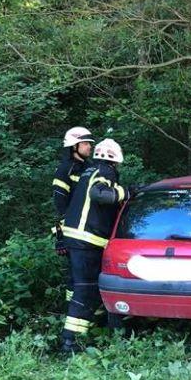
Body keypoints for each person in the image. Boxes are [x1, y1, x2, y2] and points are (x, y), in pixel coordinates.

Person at [60, 138, 127, 355]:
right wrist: (126, 193)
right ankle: (71, 343)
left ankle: (82, 332)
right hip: (86, 239)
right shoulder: (105, 172)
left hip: (75, 237)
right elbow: (100, 194)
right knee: (85, 290)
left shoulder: (90, 170)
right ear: (115, 159)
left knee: (79, 287)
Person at [52, 127, 95, 304]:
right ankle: (72, 307)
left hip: (90, 228)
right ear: (73, 146)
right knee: (74, 273)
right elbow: (60, 205)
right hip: (72, 231)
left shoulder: (90, 168)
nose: (89, 147)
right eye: (85, 143)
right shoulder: (64, 170)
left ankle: (89, 306)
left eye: (89, 144)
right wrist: (61, 236)